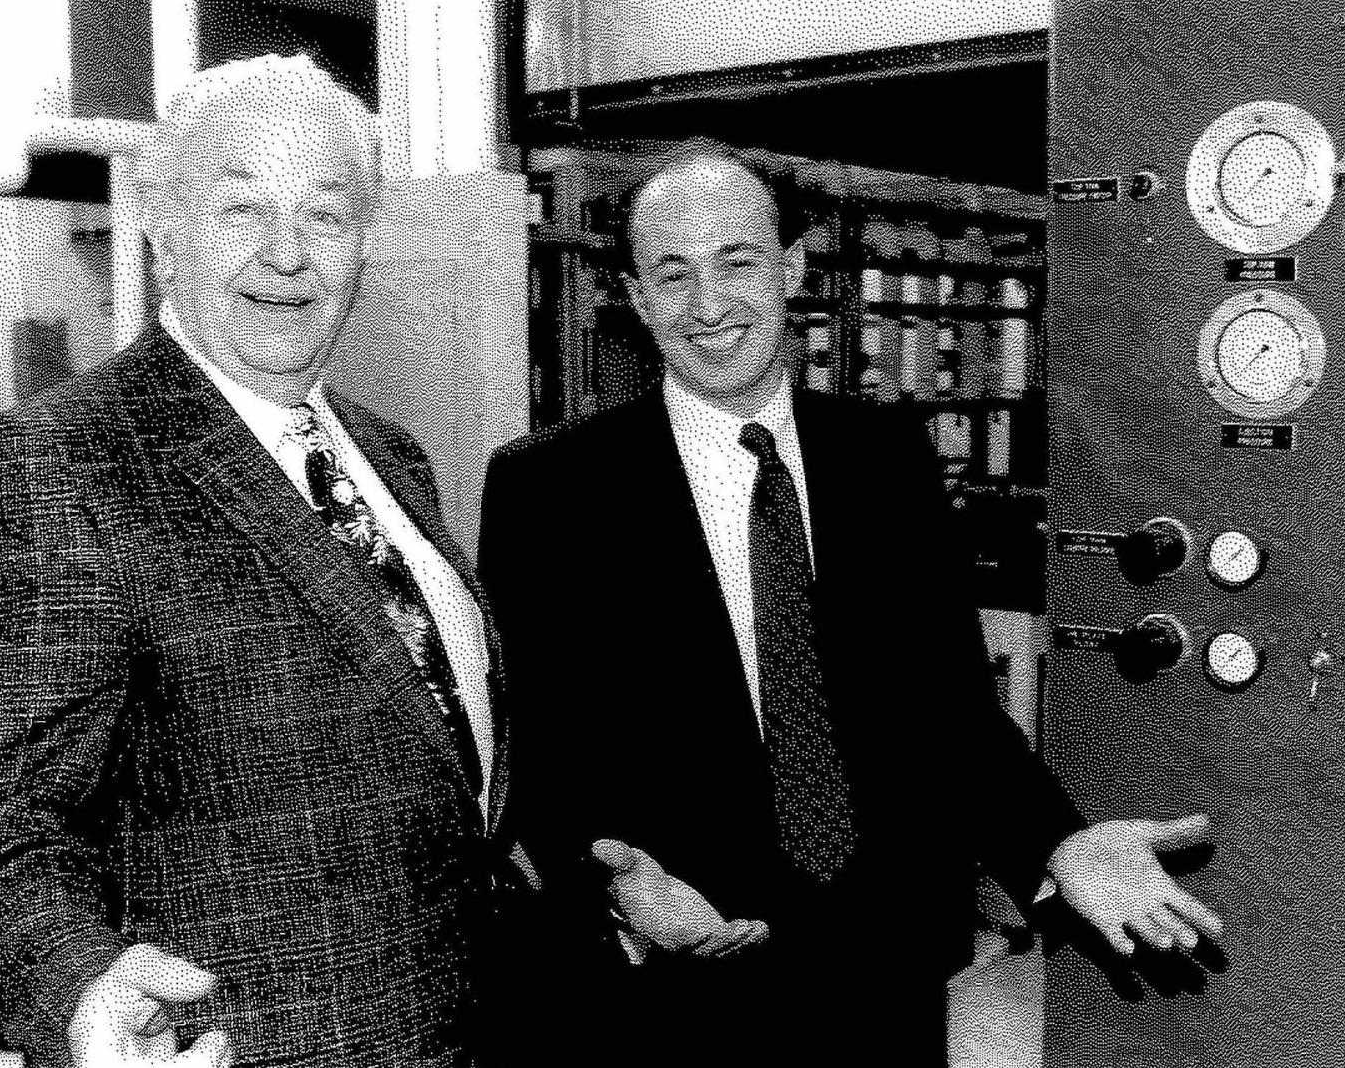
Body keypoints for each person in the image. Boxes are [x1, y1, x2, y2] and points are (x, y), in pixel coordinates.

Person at [477, 142, 1223, 1064]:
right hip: (677, 984)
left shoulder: (887, 459)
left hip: (883, 973)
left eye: (737, 262)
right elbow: (538, 748)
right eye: (672, 274)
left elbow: (951, 712)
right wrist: (614, 888)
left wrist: (1056, 847)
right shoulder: (549, 488)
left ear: (792, 266)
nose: (708, 306)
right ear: (635, 297)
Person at [0, 54, 516, 1068]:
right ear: (164, 236)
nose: (288, 255)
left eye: (327, 216)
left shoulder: (392, 457)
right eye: (242, 209)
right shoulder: (57, 461)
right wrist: (79, 988)